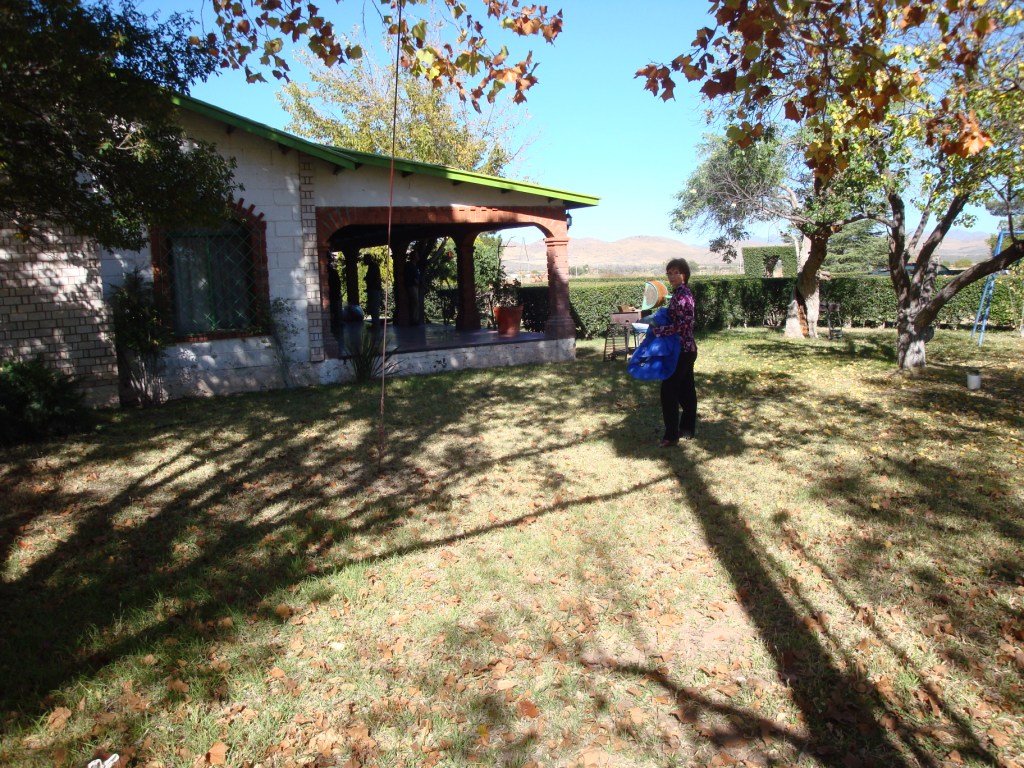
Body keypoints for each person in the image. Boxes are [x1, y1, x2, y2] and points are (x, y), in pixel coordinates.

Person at [649, 258, 698, 446]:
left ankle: (671, 436)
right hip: (685, 349)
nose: (672, 276)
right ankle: (687, 430)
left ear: (684, 274)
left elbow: (686, 324)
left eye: (676, 272)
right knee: (686, 390)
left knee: (668, 390)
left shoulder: (684, 295)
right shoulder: (679, 294)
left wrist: (661, 331)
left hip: (683, 350)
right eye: (669, 273)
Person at [363, 255, 383, 325]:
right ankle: (375, 322)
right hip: (373, 289)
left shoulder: (373, 266)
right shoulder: (372, 266)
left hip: (374, 290)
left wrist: (370, 282)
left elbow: (376, 278)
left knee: (374, 307)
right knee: (373, 306)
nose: (363, 261)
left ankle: (375, 323)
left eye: (364, 259)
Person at [404, 252, 422, 325]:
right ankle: (414, 320)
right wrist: (415, 281)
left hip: (415, 286)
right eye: (417, 255)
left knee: (416, 303)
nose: (418, 257)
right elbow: (409, 276)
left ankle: (415, 319)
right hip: (411, 286)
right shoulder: (410, 265)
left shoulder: (415, 266)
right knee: (415, 302)